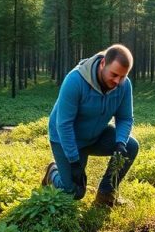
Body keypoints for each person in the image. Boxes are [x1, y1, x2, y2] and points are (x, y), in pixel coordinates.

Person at [42, 44, 139, 207]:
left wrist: (120, 142)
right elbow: (64, 125)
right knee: (74, 192)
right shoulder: (75, 80)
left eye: (122, 77)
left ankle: (105, 195)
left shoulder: (124, 85)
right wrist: (74, 162)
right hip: (64, 139)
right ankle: (53, 173)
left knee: (130, 146)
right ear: (103, 64)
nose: (117, 81)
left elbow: (125, 118)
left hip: (95, 135)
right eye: (114, 75)